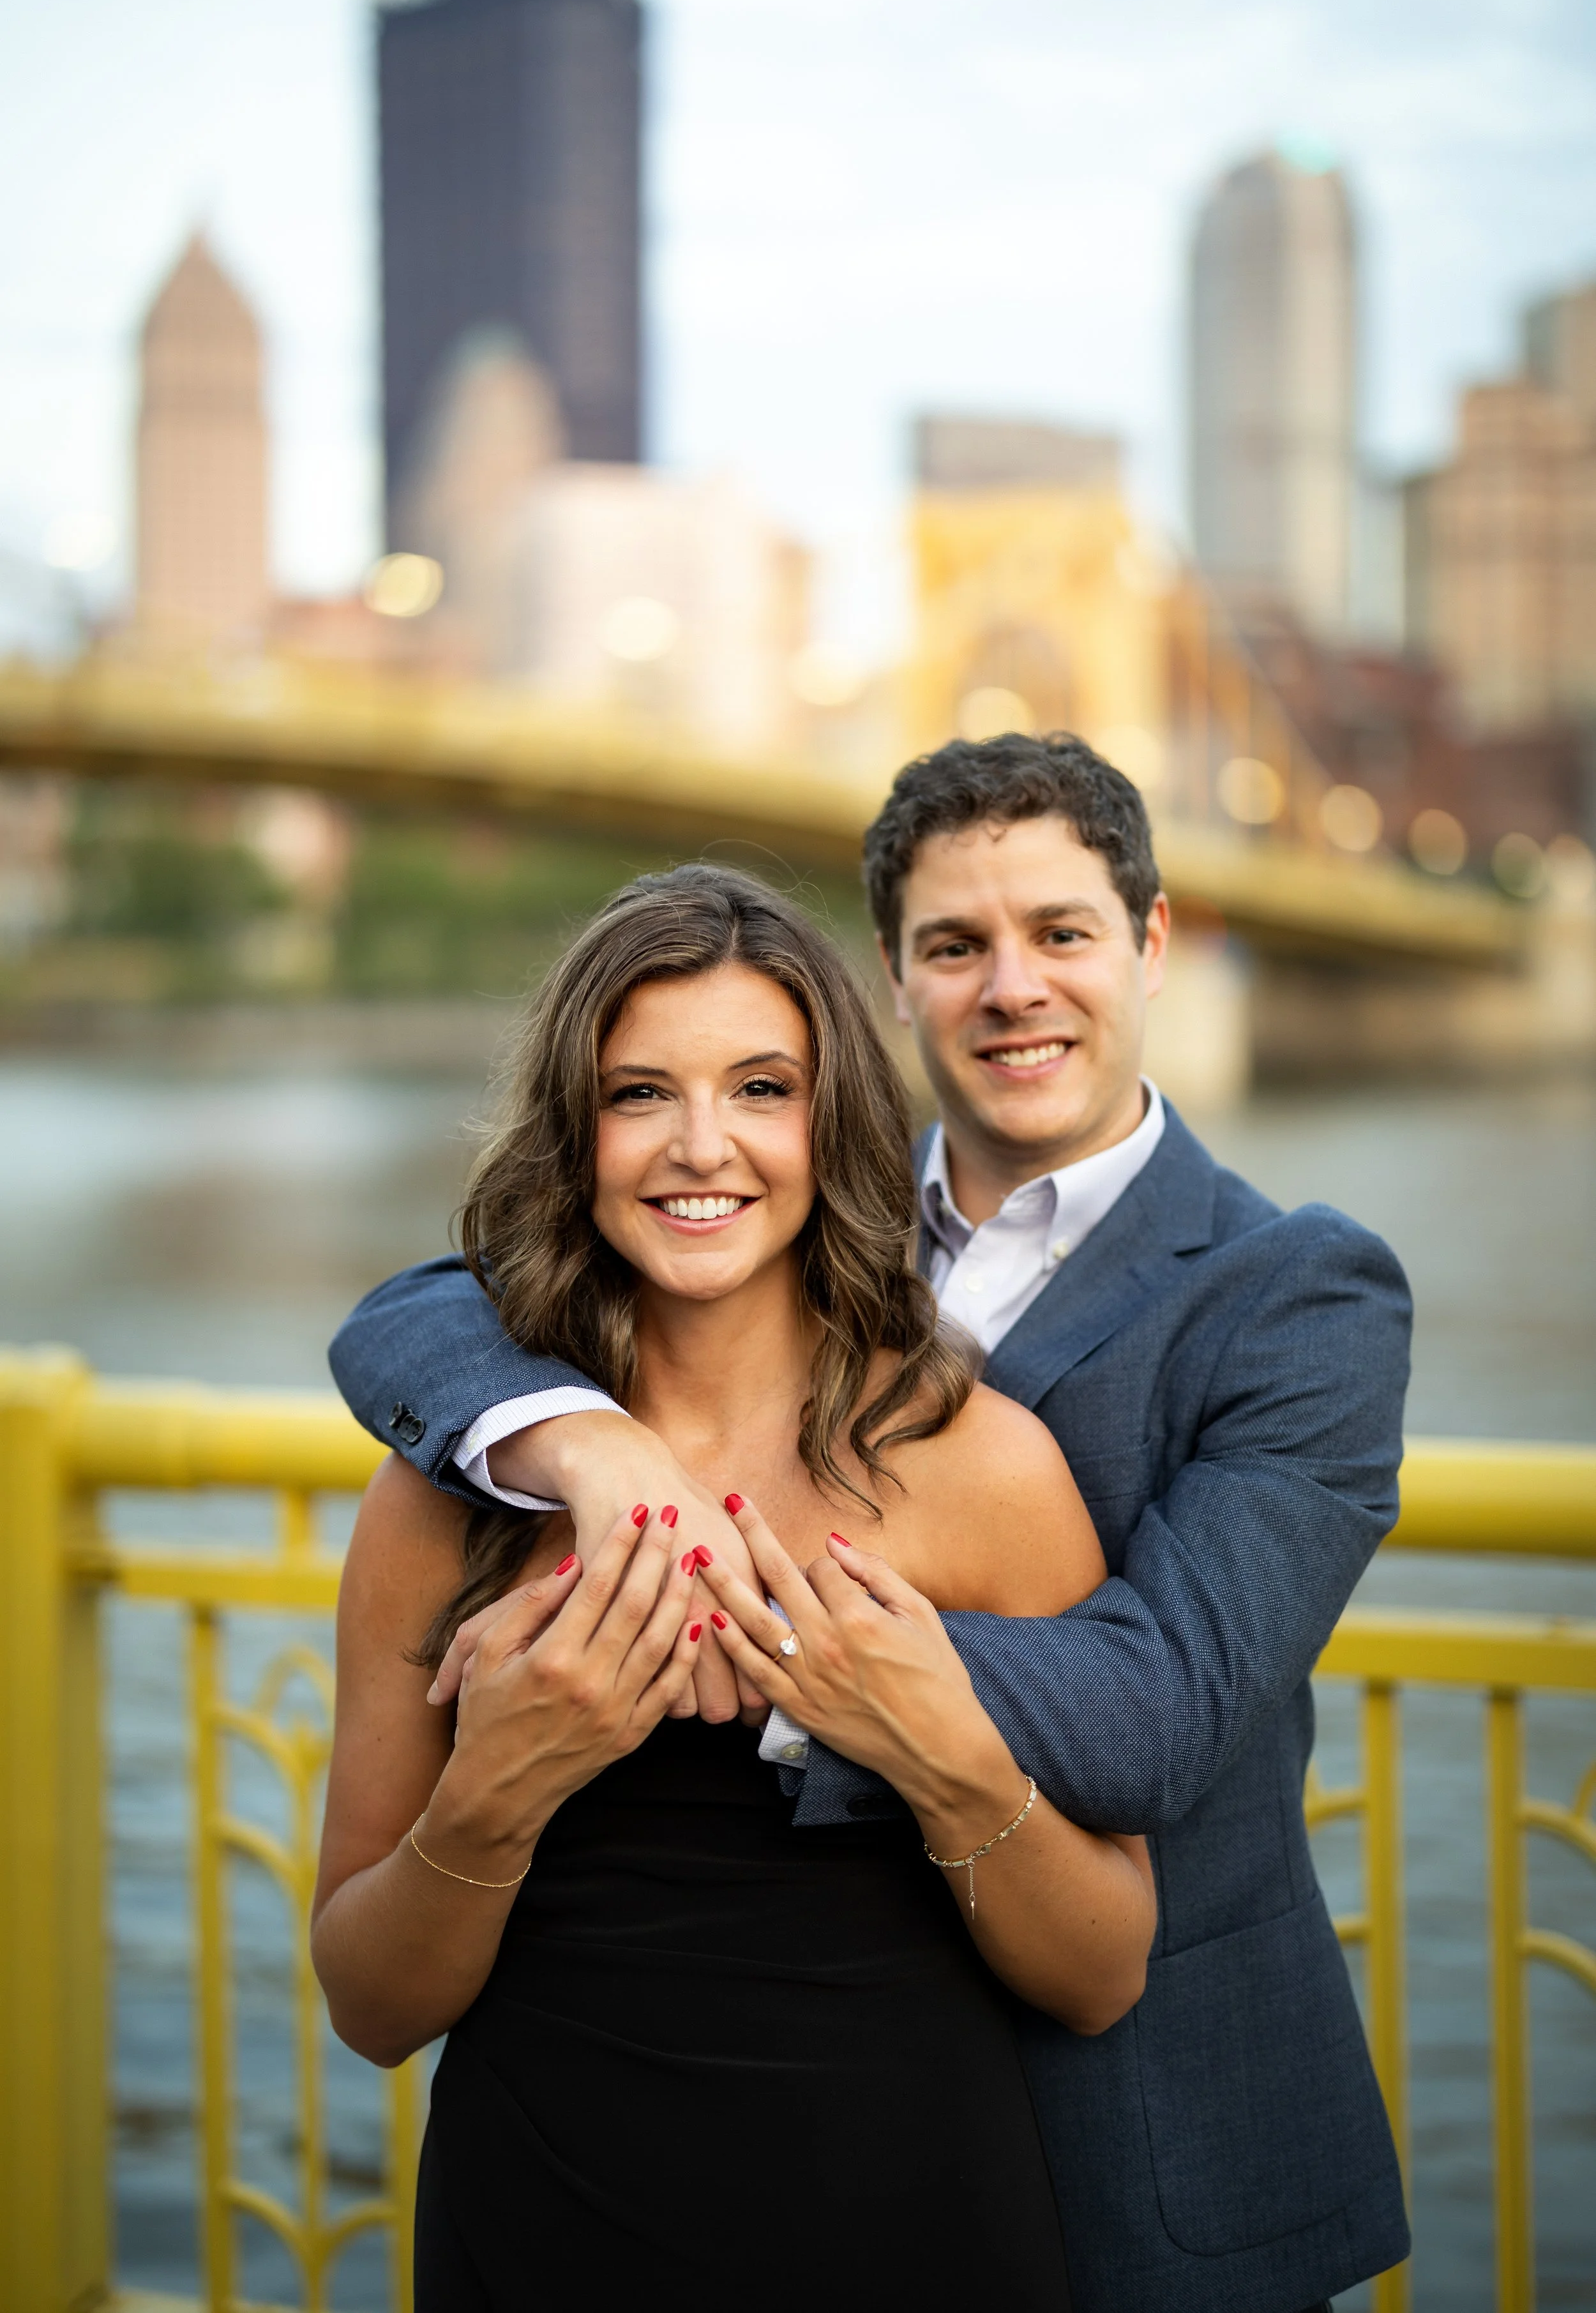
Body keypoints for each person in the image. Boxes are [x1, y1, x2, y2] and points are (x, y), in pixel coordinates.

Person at [331, 732, 1414, 2313]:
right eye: (953, 946)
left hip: (1092, 2149)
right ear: (892, 988)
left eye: (1058, 933)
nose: (1010, 987)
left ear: (1151, 943)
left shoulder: (1291, 1298)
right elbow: (421, 1316)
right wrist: (581, 1453)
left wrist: (718, 1615)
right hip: (564, 2177)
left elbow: (1170, 1707)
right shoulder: (779, 1230)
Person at [312, 866, 1157, 2310]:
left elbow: (1098, 1974)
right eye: (639, 1093)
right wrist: (500, 1785)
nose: (700, 1147)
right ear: (572, 1134)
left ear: (829, 1127)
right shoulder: (446, 1499)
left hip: (912, 2226)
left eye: (761, 1088)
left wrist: (931, 1747)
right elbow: (372, 2008)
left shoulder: (983, 1469)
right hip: (538, 2225)